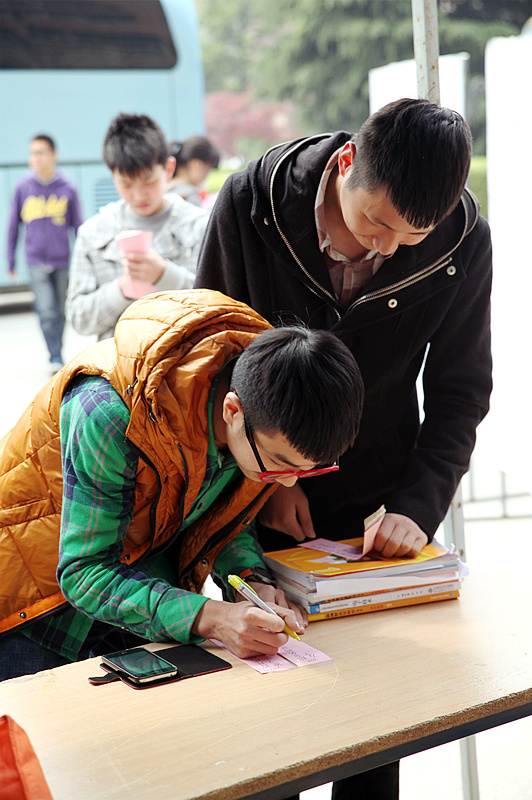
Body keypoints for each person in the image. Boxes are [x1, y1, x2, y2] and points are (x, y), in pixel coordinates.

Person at [195, 98, 493, 799]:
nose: (386, 249)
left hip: (374, 514)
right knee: (276, 720)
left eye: (410, 238)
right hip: (257, 493)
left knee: (372, 729)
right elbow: (210, 355)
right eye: (375, 224)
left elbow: (461, 390)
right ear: (346, 163)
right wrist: (271, 478)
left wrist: (417, 506)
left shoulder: (461, 244)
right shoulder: (252, 205)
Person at [0, 289, 364, 682]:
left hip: (138, 594)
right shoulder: (109, 411)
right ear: (232, 410)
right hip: (33, 609)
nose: (288, 481)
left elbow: (220, 515)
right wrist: (212, 616)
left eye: (306, 471)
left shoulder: (260, 407)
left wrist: (252, 582)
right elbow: (84, 573)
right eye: (280, 464)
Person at [66, 114, 209, 341]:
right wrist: (122, 288)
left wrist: (164, 274)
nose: (139, 194)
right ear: (113, 176)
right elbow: (78, 318)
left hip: (188, 357)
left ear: (169, 168)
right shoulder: (93, 233)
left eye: (148, 181)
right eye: (126, 183)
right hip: (117, 359)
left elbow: (220, 305)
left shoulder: (201, 226)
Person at [6, 134, 83, 372]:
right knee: (47, 309)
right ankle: (54, 355)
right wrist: (10, 260)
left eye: (41, 153)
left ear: (53, 155)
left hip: (61, 260)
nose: (36, 158)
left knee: (60, 310)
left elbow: (79, 227)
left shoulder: (67, 188)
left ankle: (57, 350)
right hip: (35, 260)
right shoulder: (23, 188)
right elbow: (13, 226)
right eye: (32, 153)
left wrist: (84, 261)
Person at [167, 135, 220, 206]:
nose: (206, 176)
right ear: (196, 164)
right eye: (207, 170)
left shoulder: (162, 192)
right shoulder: (189, 197)